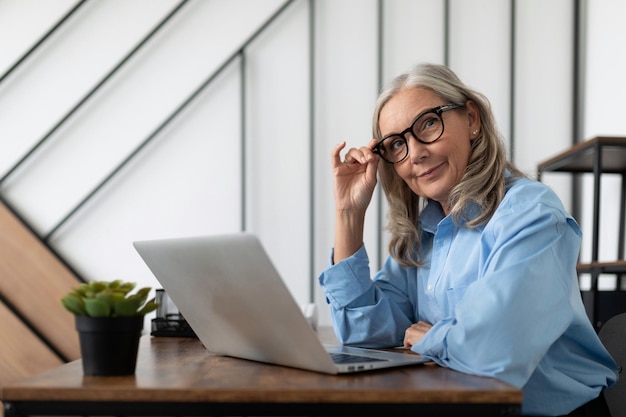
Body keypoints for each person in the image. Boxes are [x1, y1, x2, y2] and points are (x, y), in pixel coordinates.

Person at [318, 62, 618, 416]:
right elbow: (365, 333)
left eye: (428, 123)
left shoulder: (531, 213)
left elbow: (496, 349)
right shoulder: (422, 234)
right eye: (397, 144)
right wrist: (348, 215)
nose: (415, 153)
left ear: (472, 119)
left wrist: (431, 338)